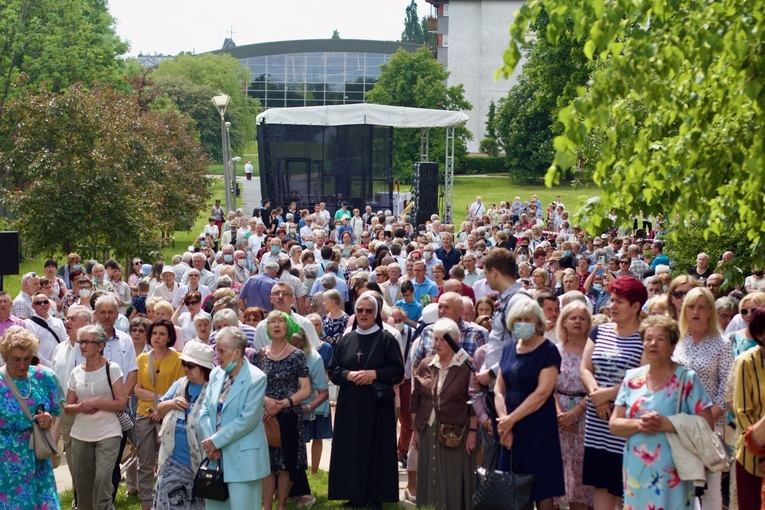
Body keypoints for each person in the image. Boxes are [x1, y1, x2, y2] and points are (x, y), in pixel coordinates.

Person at [611, 315, 714, 509]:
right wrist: (640, 424)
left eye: (660, 339)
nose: (653, 344)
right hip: (636, 470)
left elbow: (706, 424)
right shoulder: (632, 378)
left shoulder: (687, 379)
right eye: (648, 339)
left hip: (674, 468)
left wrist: (666, 424)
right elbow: (614, 425)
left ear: (673, 344)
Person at [327, 293, 405, 509]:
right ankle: (354, 495)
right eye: (359, 310)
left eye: (368, 311)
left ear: (376, 313)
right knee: (351, 448)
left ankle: (376, 496)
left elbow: (398, 372)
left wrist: (374, 374)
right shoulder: (346, 339)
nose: (363, 314)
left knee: (377, 448)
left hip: (377, 405)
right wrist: (349, 376)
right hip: (350, 404)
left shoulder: (386, 339)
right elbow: (333, 370)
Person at [580, 276, 647, 509]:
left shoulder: (646, 337)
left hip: (627, 421)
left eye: (619, 301)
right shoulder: (600, 331)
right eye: (612, 300)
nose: (612, 305)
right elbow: (585, 368)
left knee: (626, 485)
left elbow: (644, 378)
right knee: (601, 484)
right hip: (597, 421)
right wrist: (597, 396)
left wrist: (607, 395)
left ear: (636, 306)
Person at [495, 300, 565, 510]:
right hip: (509, 425)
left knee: (542, 486)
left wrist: (509, 421)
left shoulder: (548, 351)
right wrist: (505, 424)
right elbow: (499, 389)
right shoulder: (508, 349)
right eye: (518, 320)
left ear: (538, 323)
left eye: (527, 320)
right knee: (512, 485)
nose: (522, 324)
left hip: (538, 424)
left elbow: (543, 392)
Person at [672, 287, 733, 510]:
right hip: (678, 425)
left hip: (710, 426)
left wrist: (704, 421)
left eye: (701, 306)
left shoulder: (722, 344)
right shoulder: (678, 341)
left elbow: (727, 389)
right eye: (690, 306)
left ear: (710, 311)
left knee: (710, 493)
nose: (695, 311)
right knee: (679, 489)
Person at [198, 326, 269, 510]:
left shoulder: (256, 378)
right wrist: (209, 444)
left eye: (221, 351)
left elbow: (248, 420)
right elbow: (204, 411)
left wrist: (216, 441)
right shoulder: (216, 374)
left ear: (237, 353)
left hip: (244, 460)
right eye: (216, 350)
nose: (217, 356)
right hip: (215, 459)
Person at [411, 318, 478, 509]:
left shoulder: (466, 366)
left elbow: (473, 401)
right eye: (435, 339)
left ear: (455, 341)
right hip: (427, 428)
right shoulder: (426, 363)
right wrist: (416, 429)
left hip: (455, 431)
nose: (437, 344)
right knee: (428, 475)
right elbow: (415, 399)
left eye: (443, 340)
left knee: (452, 478)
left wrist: (472, 432)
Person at [65, 324, 128, 510]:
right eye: (81, 342)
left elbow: (121, 403)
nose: (83, 345)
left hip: (109, 431)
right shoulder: (76, 371)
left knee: (102, 479)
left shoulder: (112, 368)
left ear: (100, 346)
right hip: (81, 433)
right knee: (83, 484)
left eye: (88, 342)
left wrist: (97, 403)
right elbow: (68, 407)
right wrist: (80, 407)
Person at [0, 327, 60, 508]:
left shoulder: (44, 377)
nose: (22, 365)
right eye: (16, 360)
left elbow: (56, 413)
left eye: (27, 359)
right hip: (6, 460)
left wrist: (48, 421)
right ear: (5, 357)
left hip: (38, 456)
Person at [256, 311, 311, 510]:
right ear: (267, 328)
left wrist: (282, 404)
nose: (277, 325)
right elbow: (251, 386)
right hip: (264, 416)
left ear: (288, 327)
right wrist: (266, 402)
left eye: (281, 321)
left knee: (287, 464)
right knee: (267, 464)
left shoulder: (296, 355)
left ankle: (281, 506)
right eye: (272, 322)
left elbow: (306, 389)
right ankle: (267, 506)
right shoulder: (259, 355)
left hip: (288, 416)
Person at [153, 342, 215, 510]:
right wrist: (172, 403)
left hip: (201, 464)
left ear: (204, 367)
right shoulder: (180, 384)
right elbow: (159, 409)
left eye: (190, 365)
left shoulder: (214, 389)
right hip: (173, 460)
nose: (186, 368)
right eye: (184, 364)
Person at [134, 319, 184, 510]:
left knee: (168, 460)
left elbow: (180, 390)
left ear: (170, 337)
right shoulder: (142, 359)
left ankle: (166, 498)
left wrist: (163, 405)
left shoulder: (178, 359)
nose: (157, 337)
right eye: (154, 333)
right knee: (145, 460)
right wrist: (162, 398)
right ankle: (146, 501)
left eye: (162, 334)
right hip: (145, 414)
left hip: (169, 415)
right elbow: (137, 389)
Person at [554, 301, 594, 510]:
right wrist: (561, 415)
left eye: (582, 318)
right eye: (573, 318)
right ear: (564, 323)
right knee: (559, 474)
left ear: (589, 323)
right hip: (557, 417)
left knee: (581, 478)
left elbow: (599, 386)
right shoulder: (555, 351)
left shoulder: (594, 351)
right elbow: (547, 387)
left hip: (587, 417)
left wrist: (575, 413)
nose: (578, 322)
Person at [287, 327, 330, 508]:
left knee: (298, 452)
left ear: (304, 343)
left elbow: (323, 391)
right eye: (291, 344)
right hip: (283, 409)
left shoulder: (314, 359)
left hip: (304, 409)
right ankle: (287, 491)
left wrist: (309, 407)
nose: (294, 348)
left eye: (297, 345)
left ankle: (301, 491)